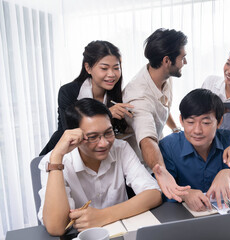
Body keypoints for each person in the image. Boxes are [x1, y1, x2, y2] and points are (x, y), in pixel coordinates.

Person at [38, 98, 161, 236]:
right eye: (92, 137)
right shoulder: (55, 161)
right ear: (74, 136)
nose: (103, 143)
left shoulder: (120, 148)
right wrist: (56, 158)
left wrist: (103, 216)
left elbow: (154, 193)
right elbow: (56, 227)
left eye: (108, 132)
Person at [159, 89, 230, 212]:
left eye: (205, 122)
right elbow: (160, 189)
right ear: (181, 120)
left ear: (219, 122)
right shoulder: (168, 146)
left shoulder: (229, 141)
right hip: (184, 218)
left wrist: (229, 174)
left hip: (224, 216)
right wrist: (185, 194)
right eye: (190, 122)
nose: (197, 130)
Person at [123, 28, 190, 202]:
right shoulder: (138, 96)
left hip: (155, 158)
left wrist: (175, 128)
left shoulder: (165, 75)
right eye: (182, 57)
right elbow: (147, 140)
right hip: (138, 167)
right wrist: (162, 172)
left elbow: (161, 106)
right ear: (167, 60)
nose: (185, 62)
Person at [40, 40, 133, 156]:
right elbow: (71, 132)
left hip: (93, 157)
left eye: (116, 68)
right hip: (61, 154)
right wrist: (107, 113)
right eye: (104, 68)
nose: (112, 74)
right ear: (88, 68)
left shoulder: (116, 95)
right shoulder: (68, 92)